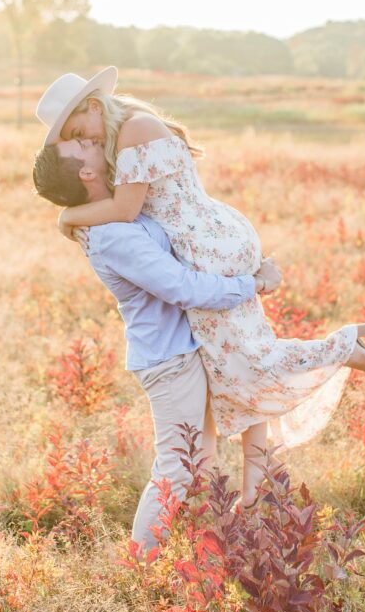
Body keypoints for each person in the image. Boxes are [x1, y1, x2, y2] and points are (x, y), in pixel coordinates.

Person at [34, 68, 365, 508]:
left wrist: (67, 218)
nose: (85, 142)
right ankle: (255, 493)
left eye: (77, 132)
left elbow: (125, 210)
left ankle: (341, 349)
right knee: (241, 368)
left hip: (204, 249)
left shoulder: (132, 132)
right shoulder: (128, 130)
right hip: (210, 238)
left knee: (247, 364)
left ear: (92, 106)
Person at [32, 136, 283, 548]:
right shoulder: (114, 235)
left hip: (182, 349)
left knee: (199, 465)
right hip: (169, 362)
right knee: (175, 469)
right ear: (86, 172)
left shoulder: (118, 211)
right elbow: (181, 287)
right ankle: (139, 567)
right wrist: (254, 284)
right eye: (83, 145)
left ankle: (207, 554)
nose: (93, 141)